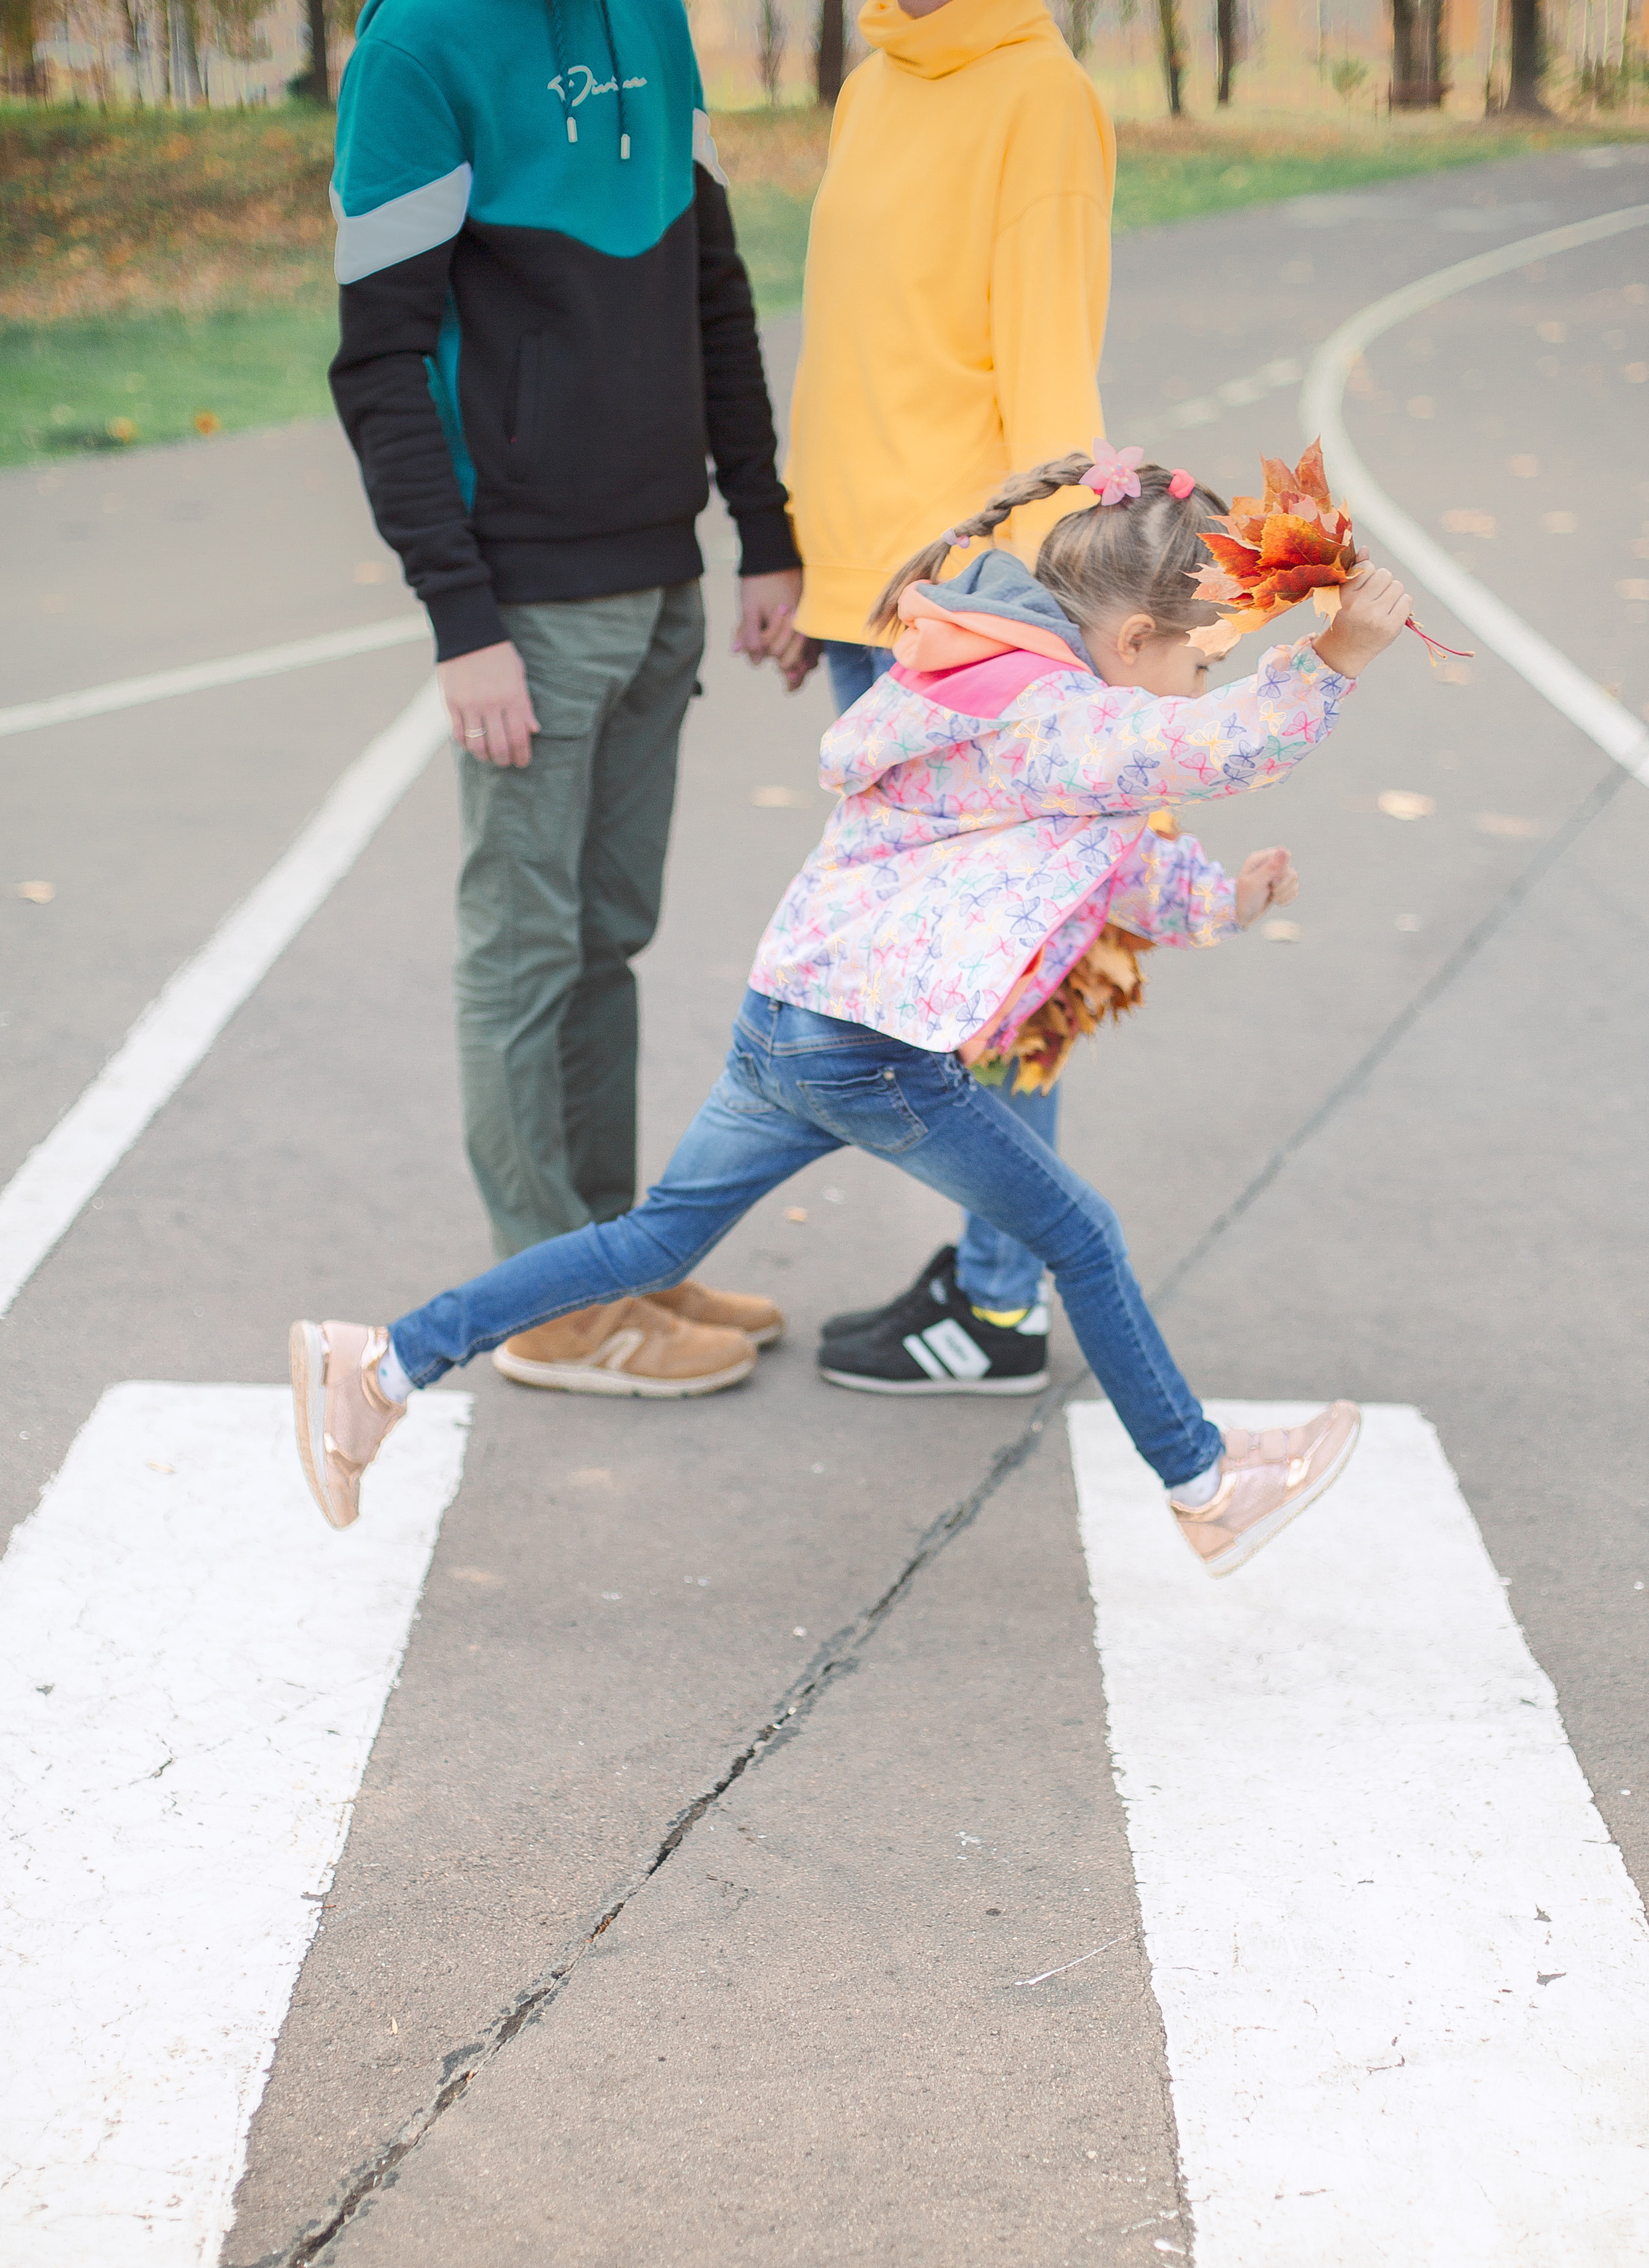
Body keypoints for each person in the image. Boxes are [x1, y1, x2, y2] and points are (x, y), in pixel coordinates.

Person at [289, 456, 1414, 1578]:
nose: (1200, 678)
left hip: (791, 1019)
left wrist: (1228, 898)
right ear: (1131, 643)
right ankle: (1206, 1485)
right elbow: (1220, 749)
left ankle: (381, 1366)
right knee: (1079, 1236)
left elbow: (1113, 867)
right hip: (871, 1052)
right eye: (1201, 657)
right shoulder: (1057, 718)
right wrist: (1337, 659)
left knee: (656, 1239)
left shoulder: (997, 693)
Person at [327, 0, 802, 1399]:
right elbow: (379, 357)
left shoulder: (650, 16)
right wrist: (458, 615)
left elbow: (711, 287)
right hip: (526, 605)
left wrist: (760, 526)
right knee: (526, 951)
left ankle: (615, 1260)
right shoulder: (417, 49)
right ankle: (546, 1306)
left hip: (658, 575)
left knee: (607, 938)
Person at [780, 0, 1117, 1391]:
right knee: (914, 987)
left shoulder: (1037, 97)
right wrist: (820, 572)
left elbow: (1049, 397)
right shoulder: (874, 87)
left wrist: (1040, 641)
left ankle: (996, 1308)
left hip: (971, 619)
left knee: (988, 977)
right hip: (873, 601)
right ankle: (996, 1264)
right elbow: (858, 356)